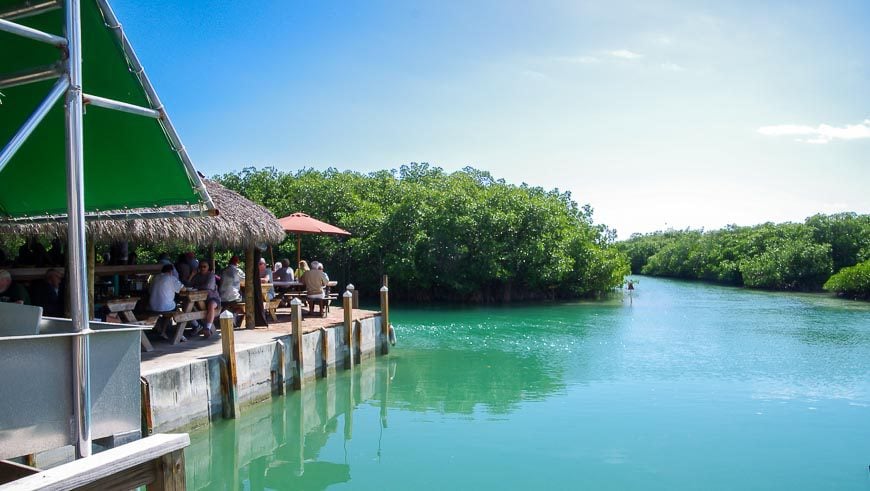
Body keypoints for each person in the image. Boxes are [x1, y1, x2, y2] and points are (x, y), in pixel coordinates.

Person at [149, 264, 184, 339]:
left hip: (152, 306)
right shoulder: (171, 278)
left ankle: (160, 328)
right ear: (171, 271)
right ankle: (164, 331)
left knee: (163, 310)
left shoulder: (155, 277)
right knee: (173, 309)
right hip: (166, 307)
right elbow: (183, 289)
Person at [189, 261, 221, 337]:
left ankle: (207, 328)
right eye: (200, 266)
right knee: (188, 306)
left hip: (212, 298)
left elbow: (208, 287)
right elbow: (189, 285)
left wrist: (197, 287)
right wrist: (192, 275)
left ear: (208, 267)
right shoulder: (196, 276)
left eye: (204, 266)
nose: (202, 268)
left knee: (211, 305)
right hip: (199, 299)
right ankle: (197, 326)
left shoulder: (211, 275)